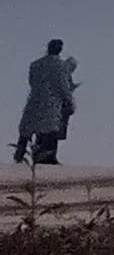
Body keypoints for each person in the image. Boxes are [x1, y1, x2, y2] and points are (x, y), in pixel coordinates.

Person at [15, 38, 73, 167]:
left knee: (28, 128)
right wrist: (69, 101)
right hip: (51, 102)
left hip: (35, 99)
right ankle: (47, 157)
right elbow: (63, 86)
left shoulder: (35, 64)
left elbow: (31, 82)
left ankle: (20, 154)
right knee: (50, 130)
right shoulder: (60, 66)